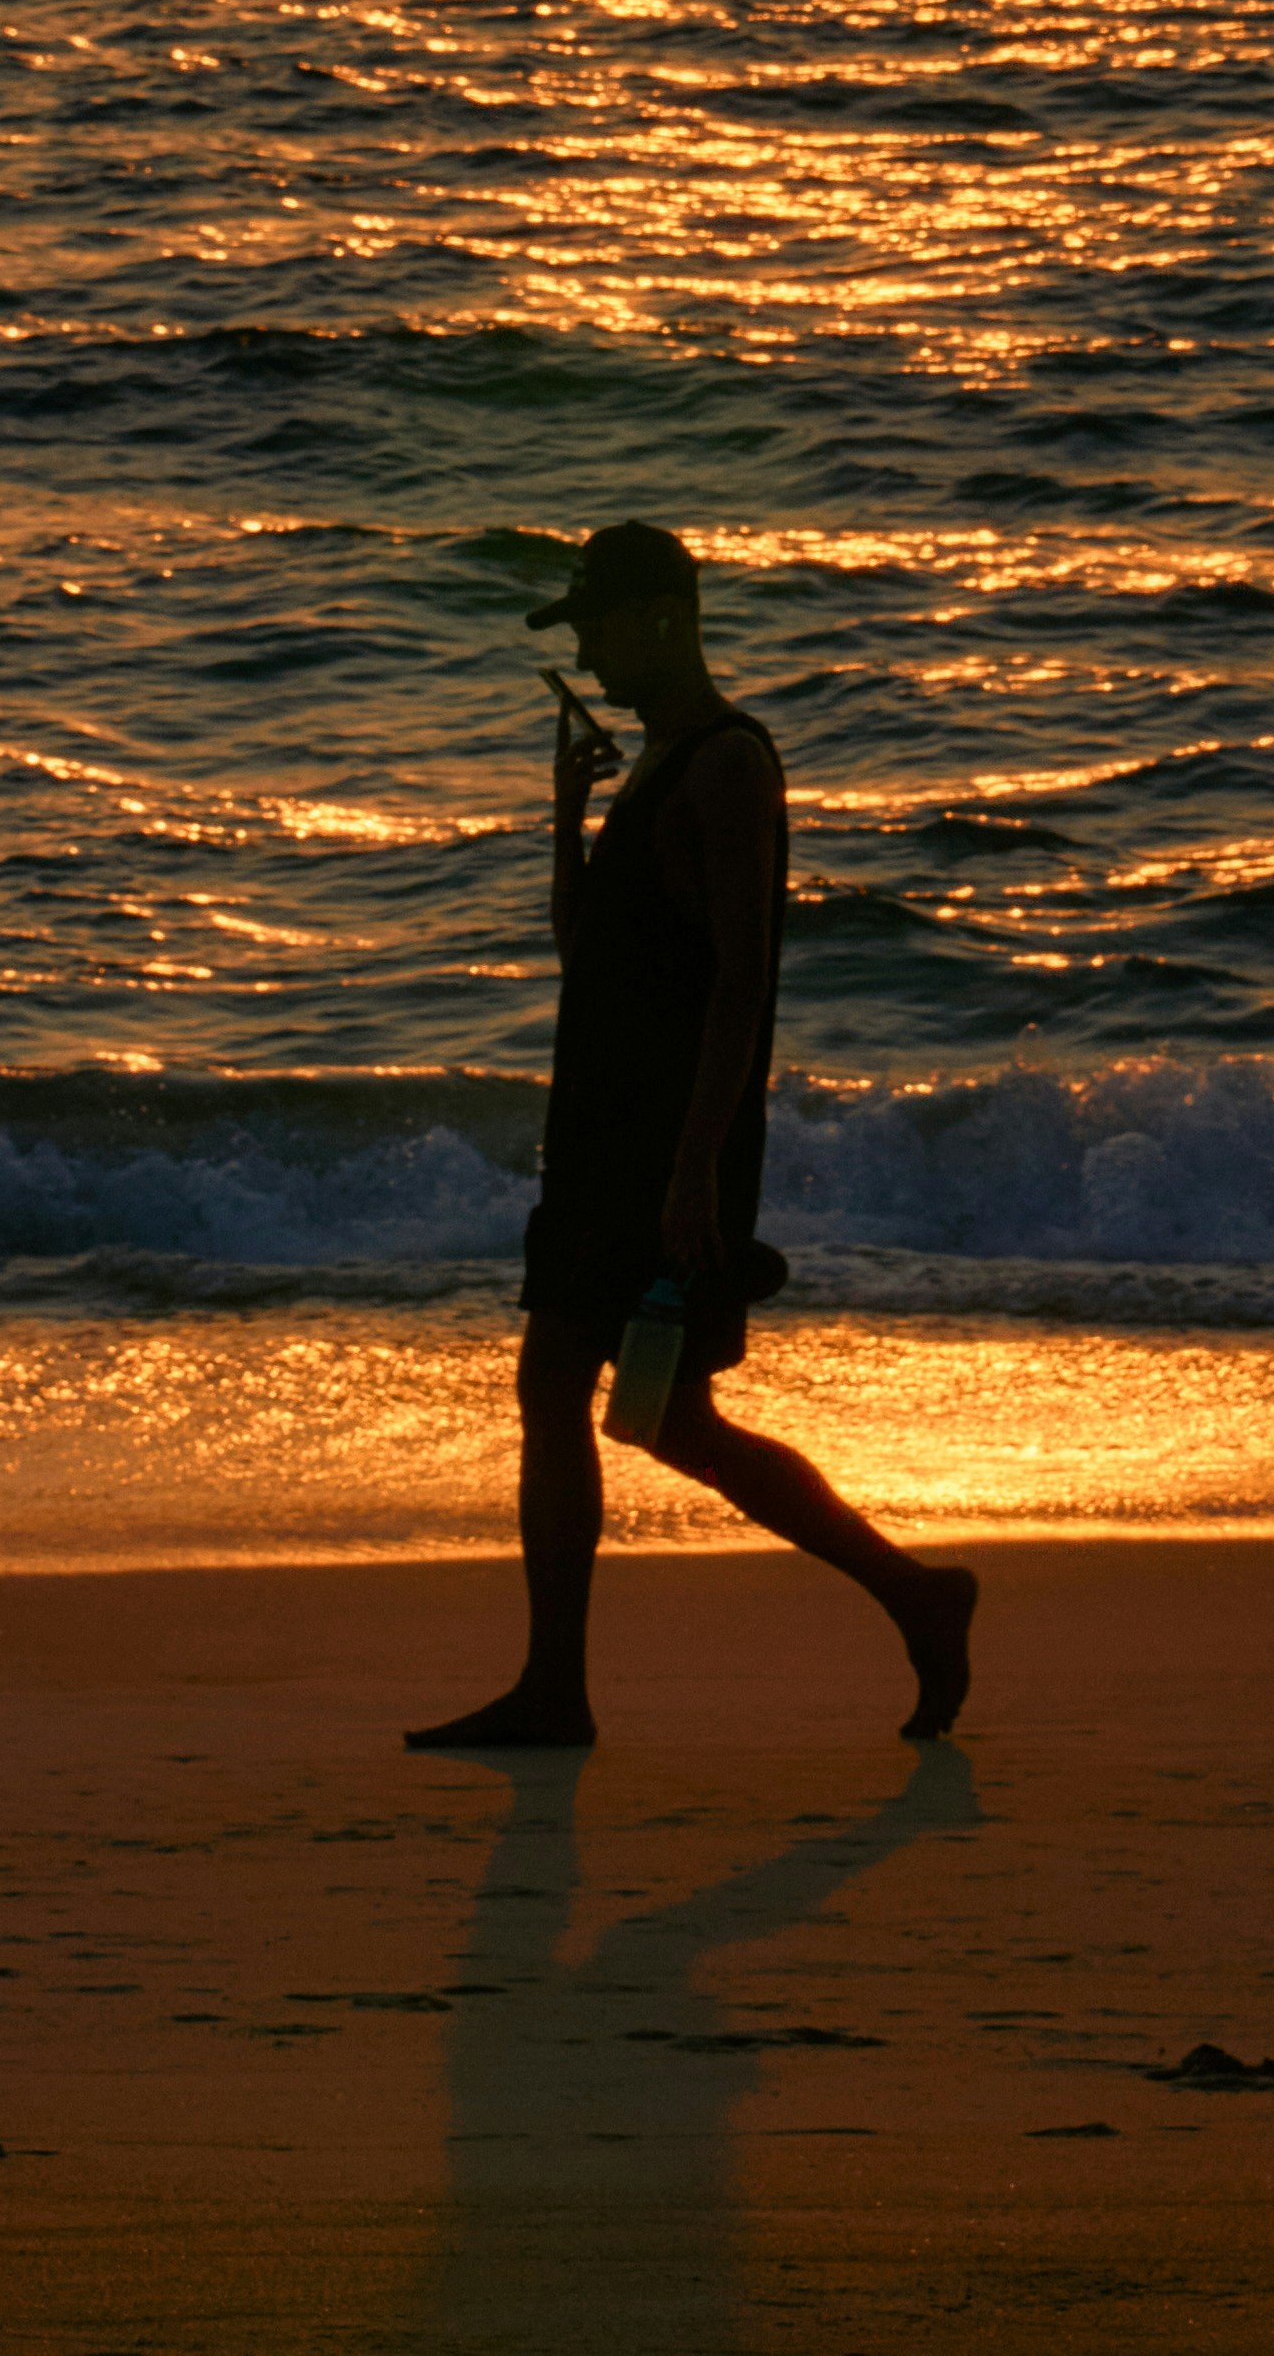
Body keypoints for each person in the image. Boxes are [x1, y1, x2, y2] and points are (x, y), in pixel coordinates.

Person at [406, 518, 976, 1753]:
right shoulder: (661, 765)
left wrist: (693, 1173)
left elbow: (741, 986)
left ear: (661, 618)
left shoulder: (727, 765)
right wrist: (565, 814)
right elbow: (583, 957)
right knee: (591, 1399)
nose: (593, 658)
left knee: (635, 1412)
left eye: (600, 629)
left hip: (665, 1156)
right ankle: (904, 1599)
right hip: (605, 1145)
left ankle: (908, 1596)